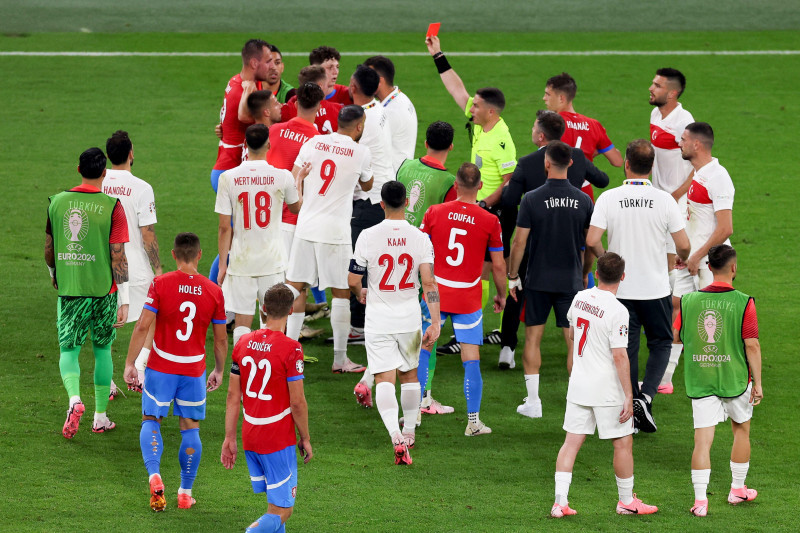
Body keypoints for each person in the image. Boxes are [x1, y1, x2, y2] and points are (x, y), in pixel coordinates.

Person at [586, 139, 691, 433]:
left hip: (621, 290)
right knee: (660, 342)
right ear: (652, 166)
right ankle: (645, 397)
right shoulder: (665, 200)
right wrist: (681, 260)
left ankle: (632, 402)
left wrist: (607, 261)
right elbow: (683, 245)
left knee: (626, 346)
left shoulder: (608, 198)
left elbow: (592, 239)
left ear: (626, 164)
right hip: (656, 288)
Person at [425, 34, 517, 354]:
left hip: (490, 210)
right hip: (477, 206)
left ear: (490, 111)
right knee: (480, 269)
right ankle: (478, 328)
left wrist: (485, 203)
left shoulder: (501, 139)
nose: (470, 107)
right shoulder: (481, 123)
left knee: (485, 268)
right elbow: (456, 88)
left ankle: (481, 329)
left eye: (476, 105)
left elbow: (510, 179)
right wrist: (438, 55)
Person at [123, 232, 228, 511]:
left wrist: (131, 363)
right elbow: (220, 339)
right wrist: (219, 369)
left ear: (173, 255)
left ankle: (155, 475)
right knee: (190, 428)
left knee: (151, 420)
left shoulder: (160, 283)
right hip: (193, 369)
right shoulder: (213, 291)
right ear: (199, 255)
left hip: (161, 367)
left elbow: (142, 326)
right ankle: (185, 492)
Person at [499, 110, 609, 370]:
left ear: (540, 136)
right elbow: (603, 180)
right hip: (571, 250)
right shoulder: (577, 157)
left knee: (517, 294)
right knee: (570, 325)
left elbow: (509, 201)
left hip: (534, 247)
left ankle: (507, 347)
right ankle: (575, 392)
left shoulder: (526, 163)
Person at [550, 252, 658, 518]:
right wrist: (629, 395)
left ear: (596, 273)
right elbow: (620, 355)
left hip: (579, 384)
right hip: (607, 389)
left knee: (571, 443)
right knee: (623, 443)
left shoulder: (580, 297)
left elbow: (574, 336)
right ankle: (625, 502)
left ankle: (559, 502)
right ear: (623, 277)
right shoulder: (618, 310)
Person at [364, 121, 456, 418]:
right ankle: (424, 399)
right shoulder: (448, 182)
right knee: (425, 331)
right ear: (451, 147)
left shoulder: (405, 166)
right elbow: (449, 222)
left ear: (426, 141)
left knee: (387, 329)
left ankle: (368, 379)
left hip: (392, 249)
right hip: (422, 257)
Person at [348, 181, 440, 464]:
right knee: (409, 376)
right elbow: (428, 282)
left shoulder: (367, 236)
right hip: (409, 319)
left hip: (378, 319)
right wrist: (434, 321)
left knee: (384, 378)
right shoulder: (420, 238)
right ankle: (409, 431)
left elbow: (353, 279)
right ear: (407, 204)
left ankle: (394, 436)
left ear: (382, 204)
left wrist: (359, 291)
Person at [672, 244, 762, 517]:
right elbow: (752, 345)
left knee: (702, 441)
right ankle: (737, 489)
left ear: (708, 268)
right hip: (735, 378)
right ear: (733, 268)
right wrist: (758, 382)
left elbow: (677, 338)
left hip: (701, 379)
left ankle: (700, 501)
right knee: (741, 430)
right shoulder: (744, 301)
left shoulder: (688, 302)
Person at [45, 147, 129, 438]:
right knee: (102, 349)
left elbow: (48, 248)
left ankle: (73, 399)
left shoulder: (56, 203)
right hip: (103, 291)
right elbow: (118, 256)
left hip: (71, 290)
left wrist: (55, 274)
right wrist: (124, 298)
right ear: (104, 173)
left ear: (78, 169)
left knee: (69, 349)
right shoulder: (113, 206)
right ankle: (100, 417)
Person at [506, 141, 593, 419]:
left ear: (546, 163)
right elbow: (590, 244)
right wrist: (584, 272)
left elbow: (519, 242)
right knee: (573, 341)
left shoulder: (531, 198)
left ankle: (533, 403)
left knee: (533, 338)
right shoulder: (584, 200)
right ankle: (576, 404)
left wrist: (512, 275)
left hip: (538, 280)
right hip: (570, 281)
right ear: (570, 163)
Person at [284, 105, 373, 372]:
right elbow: (367, 185)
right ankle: (339, 359)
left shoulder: (314, 142)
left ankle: (289, 354)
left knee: (295, 287)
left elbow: (294, 175)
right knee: (341, 293)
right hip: (336, 232)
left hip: (306, 226)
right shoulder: (361, 152)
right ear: (359, 127)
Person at [420, 163, 506, 436]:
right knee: (471, 358)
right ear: (480, 186)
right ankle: (473, 422)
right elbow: (499, 264)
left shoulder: (435, 212)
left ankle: (416, 412)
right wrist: (501, 294)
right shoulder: (490, 220)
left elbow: (421, 252)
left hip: (435, 293)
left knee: (425, 347)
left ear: (455, 185)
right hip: (468, 296)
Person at [221, 284, 312, 532]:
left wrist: (229, 437)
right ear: (291, 310)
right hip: (277, 439)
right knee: (284, 510)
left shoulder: (243, 343)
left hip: (251, 435)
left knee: (274, 505)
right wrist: (304, 437)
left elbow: (232, 396)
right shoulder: (292, 349)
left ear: (263, 309)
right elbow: (297, 402)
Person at [215, 124, 304, 344]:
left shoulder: (227, 178)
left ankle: (240, 367)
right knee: (272, 318)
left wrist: (223, 265)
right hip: (272, 260)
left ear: (245, 145)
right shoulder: (282, 176)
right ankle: (270, 366)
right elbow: (296, 207)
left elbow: (225, 227)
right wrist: (299, 181)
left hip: (241, 260)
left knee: (243, 319)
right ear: (269, 145)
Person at [647, 67, 695, 394]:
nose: (651, 88)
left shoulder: (684, 123)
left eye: (658, 85)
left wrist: (672, 197)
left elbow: (695, 168)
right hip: (656, 202)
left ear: (673, 93)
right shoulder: (655, 113)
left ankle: (666, 365)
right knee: (660, 276)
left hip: (674, 208)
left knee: (668, 281)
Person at [102, 131, 161, 393]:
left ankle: (108, 379)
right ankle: (139, 367)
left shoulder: (98, 182)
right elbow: (147, 233)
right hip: (135, 267)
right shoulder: (142, 187)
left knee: (104, 322)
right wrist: (158, 269)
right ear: (130, 154)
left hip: (103, 267)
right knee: (150, 317)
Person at [346, 64, 394, 348]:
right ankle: (376, 321)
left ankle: (358, 326)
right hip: (383, 199)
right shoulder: (381, 109)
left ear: (353, 87)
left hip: (367, 201)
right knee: (377, 265)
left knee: (359, 266)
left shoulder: (360, 121)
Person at [543, 72, 622, 200]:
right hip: (585, 193)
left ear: (561, 98)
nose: (544, 98)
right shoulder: (594, 125)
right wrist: (593, 150)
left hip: (556, 192)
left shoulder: (552, 124)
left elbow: (543, 159)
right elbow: (617, 161)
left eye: (548, 94)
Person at [211, 39, 273, 192]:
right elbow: (249, 119)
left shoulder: (240, 82)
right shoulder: (243, 92)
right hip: (230, 173)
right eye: (268, 61)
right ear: (254, 63)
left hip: (232, 169)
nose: (271, 66)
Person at [364, 55, 418, 173]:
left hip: (390, 180)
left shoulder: (390, 112)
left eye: (368, 78)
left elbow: (367, 150)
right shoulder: (400, 98)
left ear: (380, 81)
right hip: (399, 174)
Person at [280, 65, 342, 135]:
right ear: (320, 87)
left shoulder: (285, 110)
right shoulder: (338, 110)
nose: (327, 89)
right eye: (327, 86)